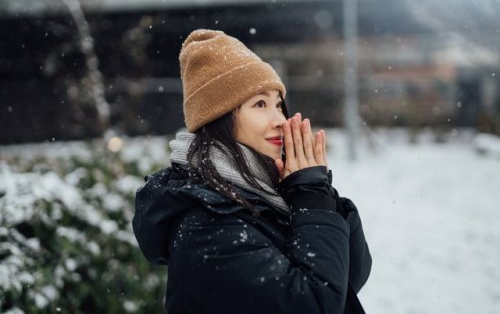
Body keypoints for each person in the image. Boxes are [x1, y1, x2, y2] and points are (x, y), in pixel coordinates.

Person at [133, 29, 372, 314]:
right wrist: (312, 199)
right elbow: (314, 304)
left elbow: (349, 279)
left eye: (278, 104)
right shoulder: (206, 227)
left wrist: (318, 195)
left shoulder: (264, 191)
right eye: (260, 104)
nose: (280, 120)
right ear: (218, 118)